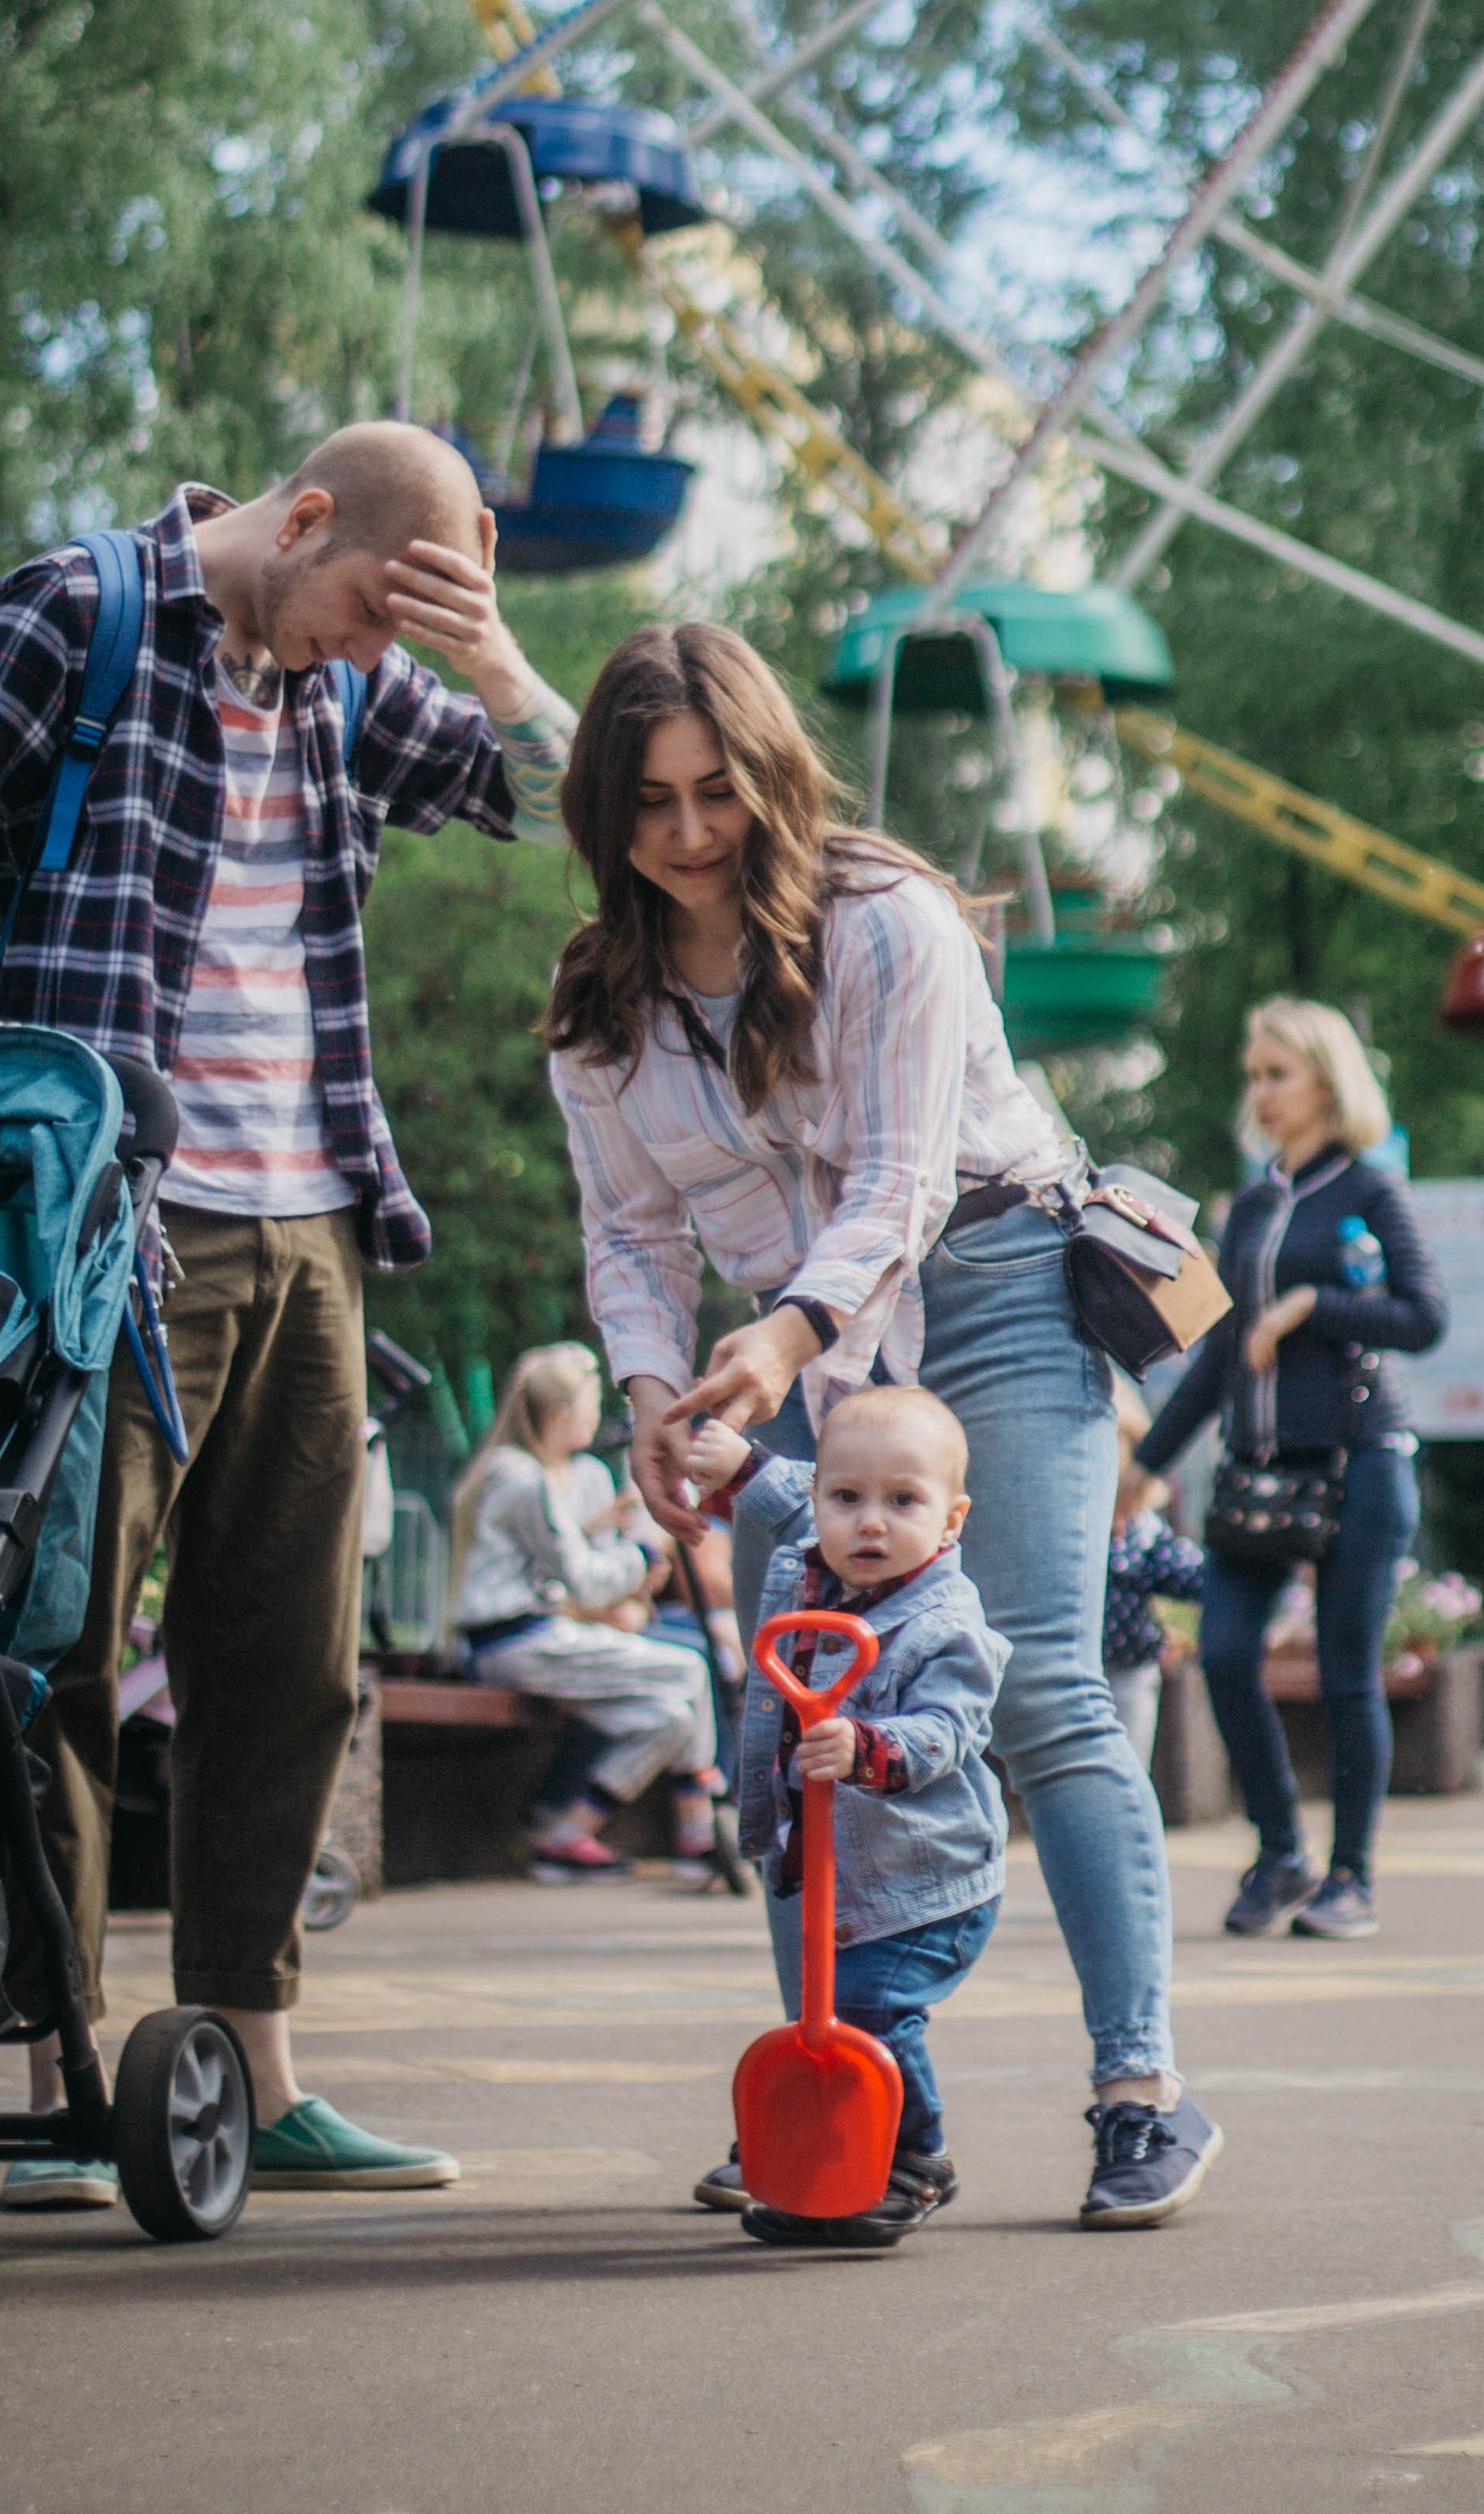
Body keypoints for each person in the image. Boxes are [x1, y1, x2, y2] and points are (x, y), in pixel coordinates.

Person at [0, 425, 576, 2203]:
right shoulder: (68, 616)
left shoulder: (347, 689)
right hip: (99, 1224)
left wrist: (493, 658)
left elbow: (557, 796)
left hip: (314, 1224)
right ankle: (66, 2080)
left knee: (291, 1665)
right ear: (300, 521)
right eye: (376, 603)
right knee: (56, 1643)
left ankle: (246, 2066)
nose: (380, 654)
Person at [544, 619, 1218, 2230]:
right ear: (606, 814)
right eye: (649, 804)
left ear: (770, 778)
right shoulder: (603, 1001)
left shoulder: (888, 922)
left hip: (981, 1285)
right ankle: (859, 2096)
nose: (690, 834)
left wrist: (775, 1351)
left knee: (1044, 1682)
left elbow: (905, 1185)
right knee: (791, 1723)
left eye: (717, 792)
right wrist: (653, 1400)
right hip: (794, 1354)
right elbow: (631, 1236)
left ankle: (1143, 2091)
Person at [1130, 999, 1442, 1943]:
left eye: (1277, 1074)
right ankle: (1280, 1853)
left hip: (1359, 1465)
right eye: (1252, 1075)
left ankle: (1351, 1878)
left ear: (1325, 1079)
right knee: (1224, 1652)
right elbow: (1222, 1353)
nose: (1259, 1093)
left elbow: (1423, 1319)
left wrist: (1312, 1304)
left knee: (1349, 1674)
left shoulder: (1370, 1191)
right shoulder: (1257, 1203)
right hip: (1257, 1471)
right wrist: (1142, 1467)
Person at [687, 1385, 1008, 2248]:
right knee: (828, 2018)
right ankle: (831, 2172)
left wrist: (867, 1746)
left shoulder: (949, 1623)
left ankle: (914, 2158)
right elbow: (794, 1492)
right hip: (837, 1866)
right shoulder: (815, 1557)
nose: (870, 1522)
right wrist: (739, 1466)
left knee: (868, 2012)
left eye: (903, 1501)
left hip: (927, 1879)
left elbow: (947, 1730)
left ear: (951, 1519)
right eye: (848, 1499)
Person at [450, 1342, 725, 1887]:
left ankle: (565, 1836)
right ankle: (700, 1828)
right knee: (689, 1668)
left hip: (528, 1637)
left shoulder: (521, 1473)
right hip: (517, 1641)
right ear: (558, 1416)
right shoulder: (521, 1476)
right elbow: (584, 1580)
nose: (595, 1418)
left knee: (670, 1718)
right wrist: (643, 1553)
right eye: (589, 1407)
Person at [1105, 1383, 1204, 1769]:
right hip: (1067, 1676)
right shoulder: (1055, 1531)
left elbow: (1192, 1577)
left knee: (1126, 1770)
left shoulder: (1140, 1531)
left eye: (1111, 1443)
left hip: (1130, 1670)